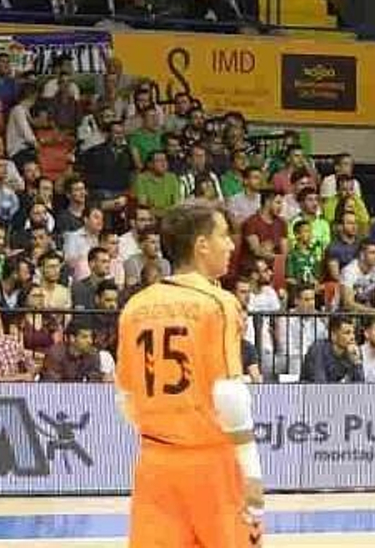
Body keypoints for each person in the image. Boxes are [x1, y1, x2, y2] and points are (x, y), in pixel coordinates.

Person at [116, 201, 265, 547]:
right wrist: (251, 469)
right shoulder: (218, 302)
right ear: (201, 245)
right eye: (224, 236)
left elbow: (125, 398)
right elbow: (230, 392)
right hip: (211, 463)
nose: (230, 245)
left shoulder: (135, 306)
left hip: (155, 463)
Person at [300, 315, 365, 383]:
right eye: (347, 333)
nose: (352, 337)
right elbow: (320, 385)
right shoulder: (318, 350)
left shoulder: (353, 352)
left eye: (353, 333)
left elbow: (360, 387)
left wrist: (357, 362)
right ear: (333, 335)